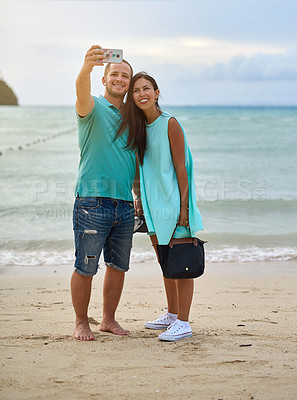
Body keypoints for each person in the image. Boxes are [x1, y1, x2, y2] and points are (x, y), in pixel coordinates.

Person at [118, 72, 203, 341]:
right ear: (132, 97)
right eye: (136, 90)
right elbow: (141, 173)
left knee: (182, 263)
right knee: (167, 263)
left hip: (175, 206)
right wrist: (140, 204)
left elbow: (182, 169)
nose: (142, 94)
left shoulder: (170, 124)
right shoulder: (139, 129)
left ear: (156, 92)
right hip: (153, 209)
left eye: (147, 88)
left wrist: (184, 209)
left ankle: (185, 323)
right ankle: (173, 314)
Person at [71, 45, 136, 341]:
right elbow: (80, 92)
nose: (119, 79)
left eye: (125, 76)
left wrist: (137, 197)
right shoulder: (92, 107)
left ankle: (108, 320)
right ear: (104, 78)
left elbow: (134, 161)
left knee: (118, 266)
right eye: (115, 74)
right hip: (91, 201)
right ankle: (81, 322)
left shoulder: (133, 119)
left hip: (124, 204)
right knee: (85, 266)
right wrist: (86, 68)